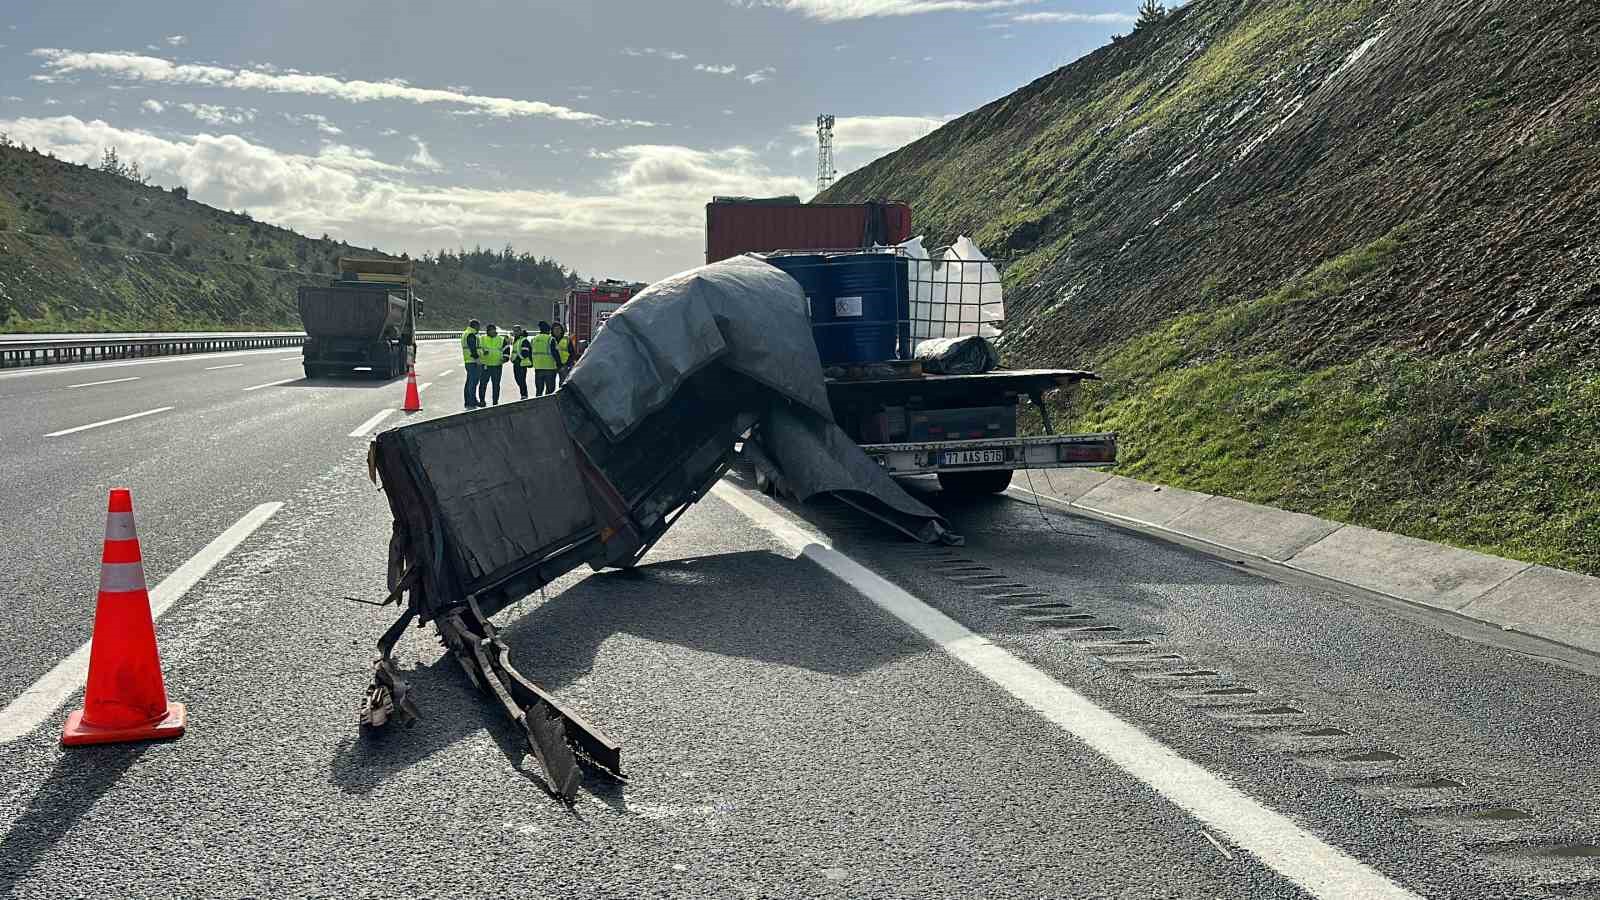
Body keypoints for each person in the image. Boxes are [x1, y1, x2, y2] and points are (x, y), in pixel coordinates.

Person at [476, 323, 507, 406]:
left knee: (496, 385)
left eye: (493, 330)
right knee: (483, 384)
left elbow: (506, 350)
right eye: (490, 330)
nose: (492, 332)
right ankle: (482, 400)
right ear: (487, 331)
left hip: (497, 365)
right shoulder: (482, 339)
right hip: (485, 365)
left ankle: (495, 402)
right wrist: (482, 353)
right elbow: (478, 349)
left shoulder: (501, 339)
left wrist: (505, 358)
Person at [530, 320, 560, 397]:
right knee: (550, 391)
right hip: (549, 368)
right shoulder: (551, 339)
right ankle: (547, 406)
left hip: (538, 368)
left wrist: (532, 362)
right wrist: (559, 364)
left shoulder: (534, 339)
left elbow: (530, 352)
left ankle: (537, 406)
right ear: (548, 330)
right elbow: (555, 353)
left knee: (539, 390)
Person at [460, 318, 482, 410]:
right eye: (478, 326)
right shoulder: (471, 334)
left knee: (469, 382)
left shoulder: (466, 333)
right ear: (475, 326)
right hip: (472, 361)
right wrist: (477, 359)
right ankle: (472, 401)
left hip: (468, 360)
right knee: (473, 382)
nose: (479, 328)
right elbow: (473, 348)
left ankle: (468, 401)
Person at [509, 325, 532, 400]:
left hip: (521, 363)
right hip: (516, 363)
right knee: (518, 379)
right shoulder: (516, 340)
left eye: (517, 331)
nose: (515, 332)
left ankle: (524, 395)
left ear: (520, 331)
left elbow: (525, 352)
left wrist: (519, 359)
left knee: (521, 379)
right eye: (514, 331)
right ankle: (523, 394)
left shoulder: (524, 340)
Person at [551, 322, 575, 388]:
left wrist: (567, 364)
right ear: (552, 330)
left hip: (564, 366)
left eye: (559, 329)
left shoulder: (567, 339)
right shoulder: (550, 339)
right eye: (555, 329)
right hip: (552, 366)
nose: (557, 331)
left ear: (562, 330)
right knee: (550, 386)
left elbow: (572, 353)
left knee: (563, 385)